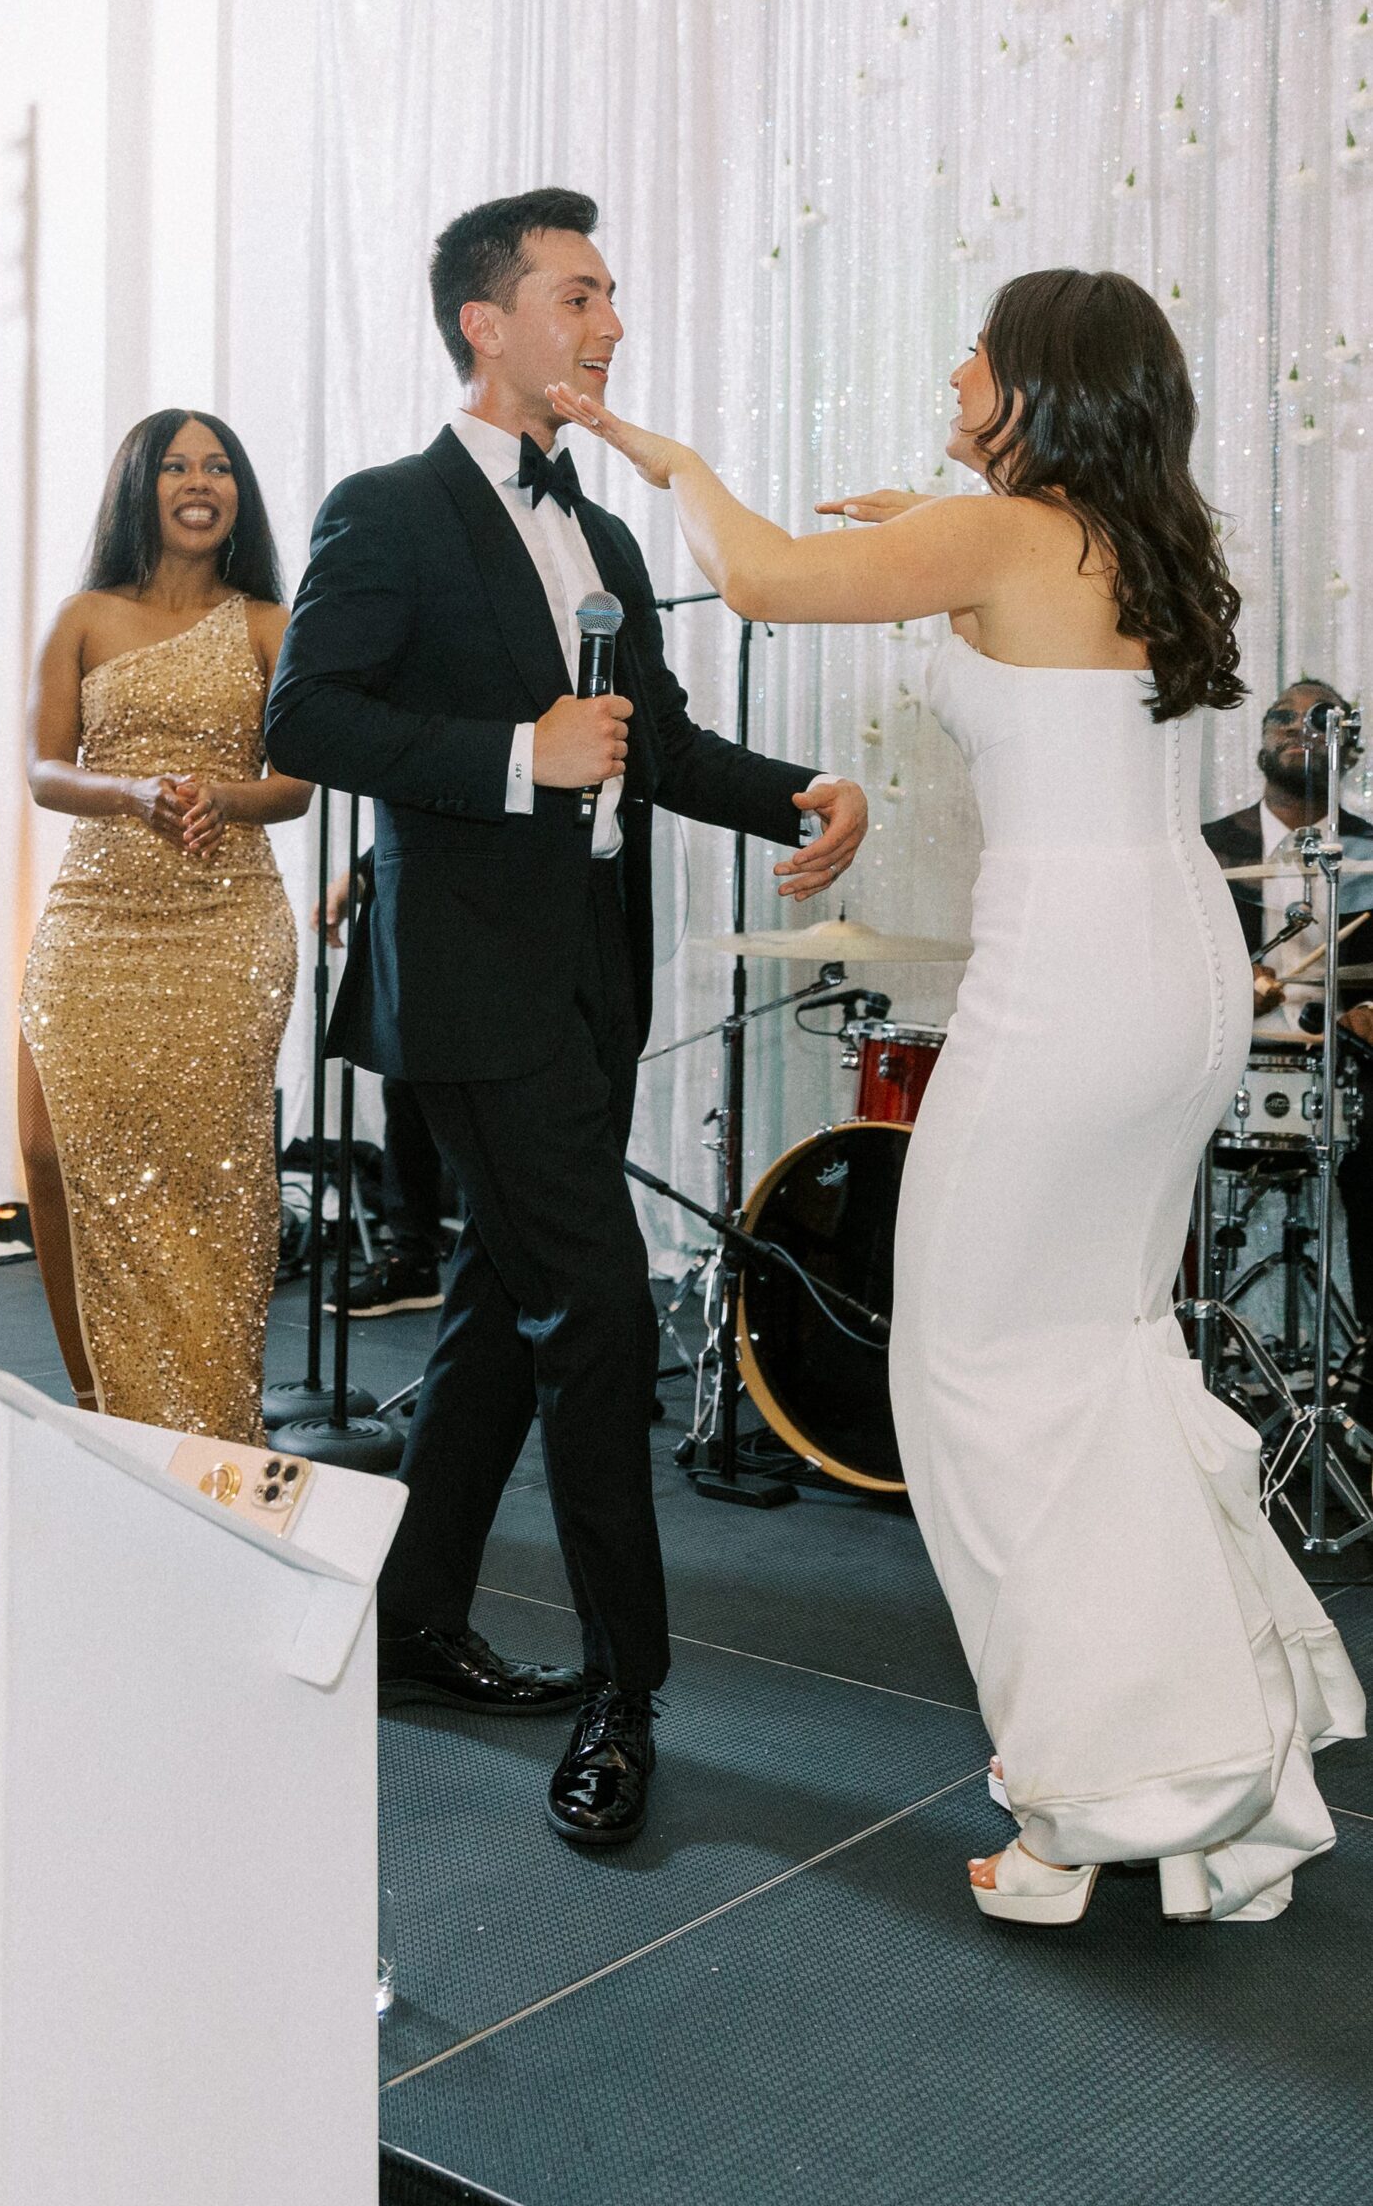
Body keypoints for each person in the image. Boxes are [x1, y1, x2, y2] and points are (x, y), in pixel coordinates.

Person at [549, 264, 1365, 1921]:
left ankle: (1081, 1812)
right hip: (1173, 973)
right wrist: (936, 512)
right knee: (1103, 1362)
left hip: (1071, 979)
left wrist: (672, 461)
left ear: (1037, 381)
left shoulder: (1003, 537)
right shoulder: (1124, 535)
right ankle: (1212, 1797)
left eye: (977, 348)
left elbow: (762, 573)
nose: (952, 362)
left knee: (972, 1376)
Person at [266, 188, 868, 1847]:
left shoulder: (600, 538)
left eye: (610, 295)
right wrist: (504, 753)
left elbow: (651, 744)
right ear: (487, 320)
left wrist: (795, 792)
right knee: (596, 1319)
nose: (608, 322)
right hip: (467, 997)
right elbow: (306, 712)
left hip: (593, 990)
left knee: (492, 1313)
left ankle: (406, 1623)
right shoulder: (384, 510)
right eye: (578, 293)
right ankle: (625, 1691)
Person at [19, 409, 313, 1438]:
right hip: (95, 913)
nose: (201, 480)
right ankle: (101, 1404)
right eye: (178, 464)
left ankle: (210, 1420)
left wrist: (226, 798)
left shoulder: (274, 623)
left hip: (225, 923)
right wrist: (130, 792)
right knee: (50, 1151)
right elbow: (42, 769)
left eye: (220, 465)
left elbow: (297, 784)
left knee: (209, 1176)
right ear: (139, 486)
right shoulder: (84, 615)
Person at [1204, 678, 1373, 1401]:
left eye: (1322, 721)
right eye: (1284, 719)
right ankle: (1184, 1363)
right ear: (1262, 741)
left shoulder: (1369, 852)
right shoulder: (1208, 849)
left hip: (1348, 1068)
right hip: (1220, 1064)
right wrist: (1220, 988)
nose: (1300, 729)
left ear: (1349, 749)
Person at [313, 859, 453, 1315]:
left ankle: (490, 1274)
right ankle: (413, 1260)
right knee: (406, 1090)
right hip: (432, 938)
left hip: (497, 929)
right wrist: (353, 879)